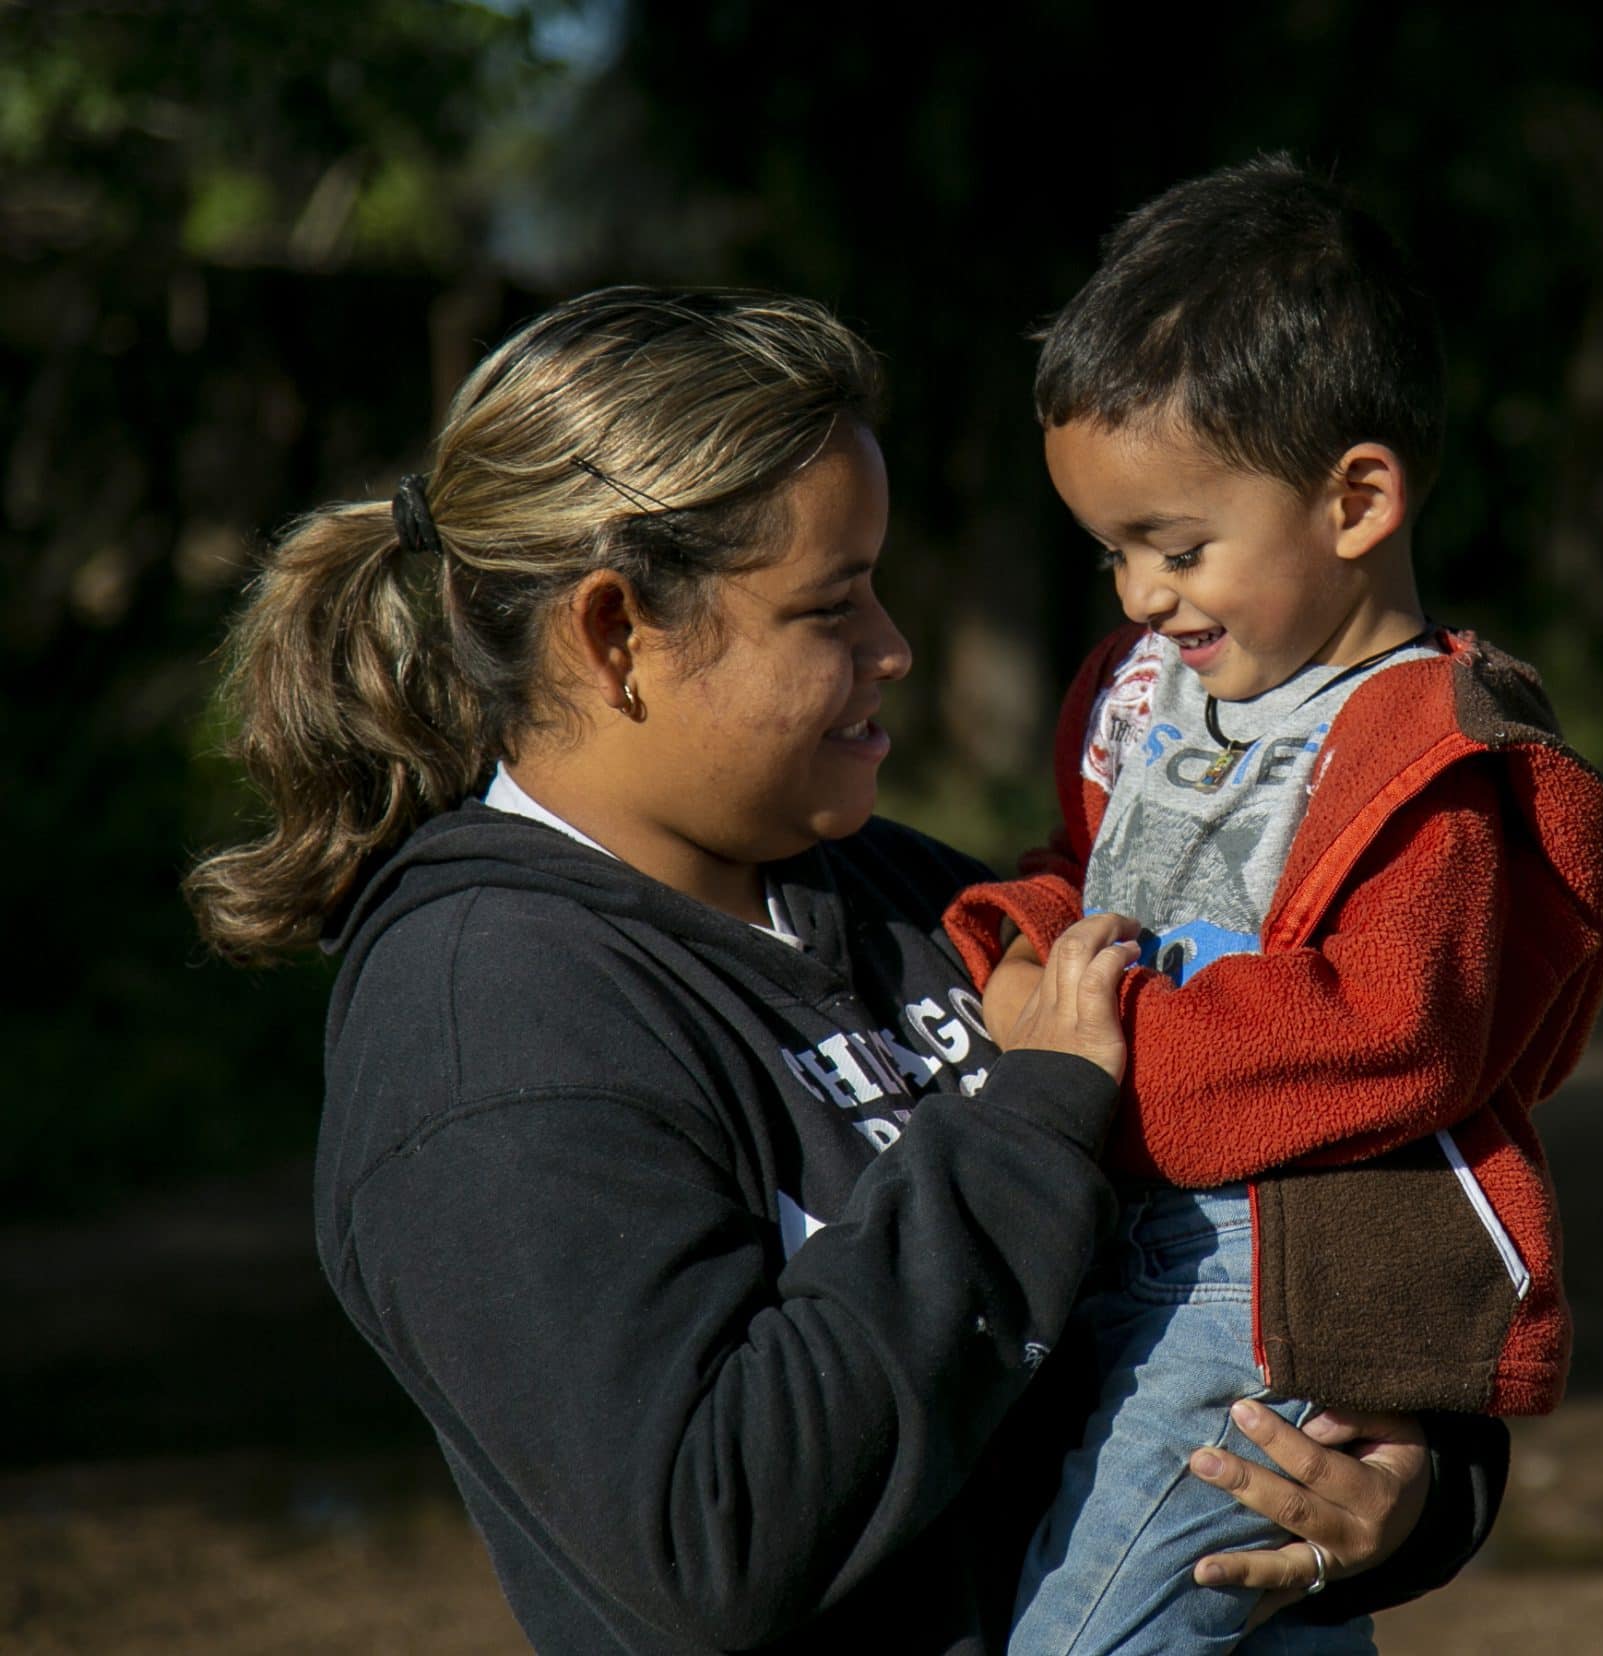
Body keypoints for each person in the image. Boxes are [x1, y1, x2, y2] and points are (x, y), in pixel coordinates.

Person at [181, 286, 1508, 1654]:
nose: (895, 646)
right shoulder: (486, 1026)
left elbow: (1254, 1213)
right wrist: (1030, 1127)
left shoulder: (910, 900)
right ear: (613, 634)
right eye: (831, 605)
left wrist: (1412, 1485)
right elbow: (713, 1541)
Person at [941, 159, 1603, 1655]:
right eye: (1113, 553)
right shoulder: (1147, 696)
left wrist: (1090, 1052)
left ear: (1356, 498)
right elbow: (1094, 873)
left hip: (1269, 1296)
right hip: (1117, 1243)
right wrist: (1022, 938)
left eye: (1178, 546)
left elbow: (1397, 1035)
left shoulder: (1424, 752)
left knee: (1097, 1635)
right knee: (1266, 1630)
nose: (1142, 594)